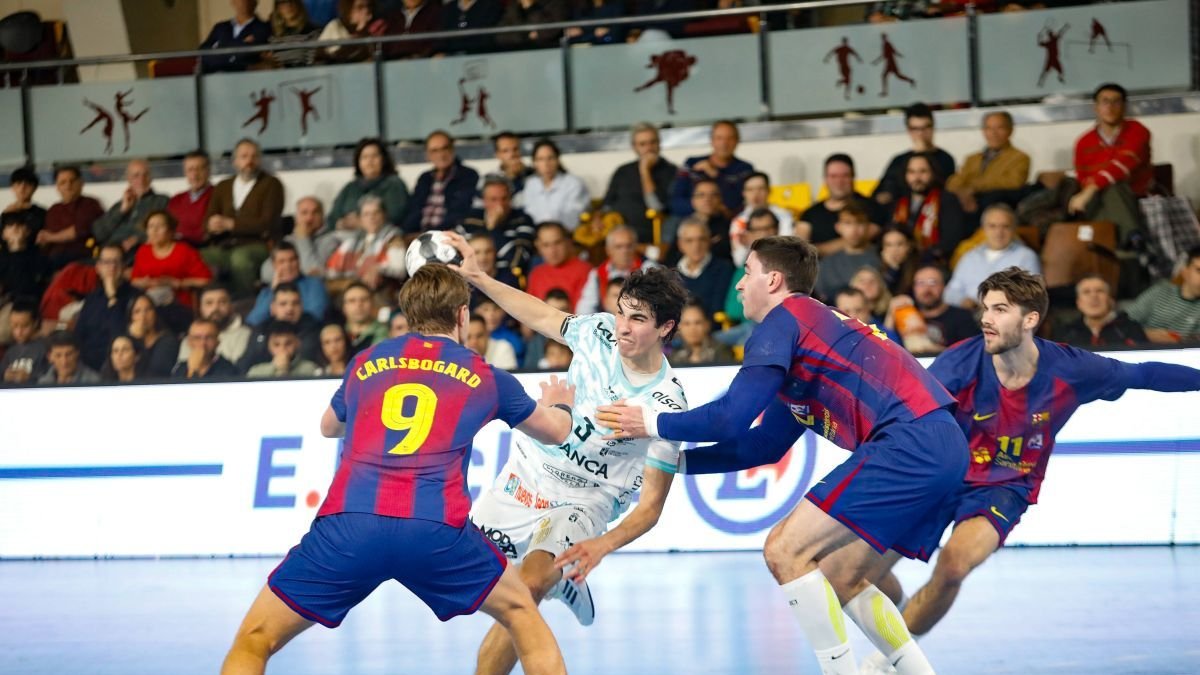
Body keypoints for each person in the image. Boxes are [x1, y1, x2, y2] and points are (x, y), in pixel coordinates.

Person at [596, 235, 968, 675]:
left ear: (773, 280)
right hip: (942, 446)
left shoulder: (782, 320)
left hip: (909, 442)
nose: (737, 286)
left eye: (747, 273)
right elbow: (762, 444)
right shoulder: (811, 333)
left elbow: (730, 417)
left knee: (784, 550)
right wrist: (669, 462)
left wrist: (650, 423)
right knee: (841, 573)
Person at [220, 264, 575, 675]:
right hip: (434, 529)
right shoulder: (486, 376)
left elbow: (328, 427)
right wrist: (560, 401)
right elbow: (555, 433)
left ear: (407, 316)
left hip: (349, 527)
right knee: (522, 615)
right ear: (462, 315)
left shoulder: (366, 361)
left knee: (254, 640)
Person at [857, 267, 1200, 673]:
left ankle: (882, 664)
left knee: (952, 567)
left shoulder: (1073, 369)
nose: (986, 318)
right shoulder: (958, 363)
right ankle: (894, 609)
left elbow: (1143, 374)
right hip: (941, 474)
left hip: (1005, 486)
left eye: (1000, 309)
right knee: (858, 571)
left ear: (1030, 318)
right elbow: (908, 412)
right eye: (984, 308)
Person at [441, 230, 690, 675]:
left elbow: (651, 508)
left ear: (665, 328)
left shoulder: (666, 405)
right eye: (621, 313)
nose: (623, 327)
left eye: (637, 320)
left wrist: (601, 546)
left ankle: (552, 579)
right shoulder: (597, 332)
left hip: (585, 498)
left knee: (527, 587)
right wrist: (478, 279)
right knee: (482, 595)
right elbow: (539, 314)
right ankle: (562, 584)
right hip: (526, 477)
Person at [1069, 83, 1153, 243]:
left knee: (1114, 186)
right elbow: (1082, 177)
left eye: (1116, 102)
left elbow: (1123, 165)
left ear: (1124, 106)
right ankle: (1134, 240)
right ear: (1096, 107)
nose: (1110, 107)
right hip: (1096, 198)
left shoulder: (1137, 130)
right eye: (1105, 101)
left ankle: (1118, 247)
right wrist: (1092, 189)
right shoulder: (1084, 142)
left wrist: (1093, 188)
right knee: (1106, 192)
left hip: (1133, 194)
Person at [203, 139, 285, 298]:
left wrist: (232, 224)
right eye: (244, 156)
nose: (249, 161)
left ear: (260, 160)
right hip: (224, 245)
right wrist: (212, 225)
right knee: (196, 257)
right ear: (235, 161)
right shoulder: (223, 186)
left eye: (254, 156)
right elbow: (208, 218)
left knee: (240, 259)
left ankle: (245, 303)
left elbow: (267, 223)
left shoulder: (271, 184)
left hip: (258, 244)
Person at [943, 204, 1040, 309]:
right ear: (983, 229)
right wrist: (964, 301)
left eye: (1005, 226)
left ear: (1014, 229)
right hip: (969, 316)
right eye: (992, 226)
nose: (999, 232)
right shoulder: (970, 257)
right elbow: (950, 293)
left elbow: (1033, 296)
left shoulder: (1026, 257)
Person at [602, 122, 678, 244]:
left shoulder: (671, 171)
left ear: (659, 144)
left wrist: (645, 171)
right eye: (642, 144)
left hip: (649, 234)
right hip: (617, 233)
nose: (648, 148)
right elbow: (607, 204)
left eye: (652, 142)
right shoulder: (623, 171)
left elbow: (656, 206)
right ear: (634, 147)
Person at [944, 111, 1031, 217]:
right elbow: (954, 181)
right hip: (966, 203)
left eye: (1000, 128)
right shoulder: (972, 159)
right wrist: (962, 193)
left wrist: (973, 188)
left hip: (997, 206)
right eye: (989, 128)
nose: (994, 133)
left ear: (1010, 130)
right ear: (984, 131)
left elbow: (1013, 181)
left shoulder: (1020, 157)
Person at [800, 154, 888, 257]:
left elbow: (857, 240)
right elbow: (799, 249)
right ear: (825, 179)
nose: (839, 181)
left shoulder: (873, 208)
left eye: (845, 176)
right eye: (833, 176)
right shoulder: (810, 213)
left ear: (853, 177)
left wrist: (813, 251)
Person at [891, 153, 967, 266]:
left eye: (923, 171)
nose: (917, 178)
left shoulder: (947, 200)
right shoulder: (898, 203)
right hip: (902, 263)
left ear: (933, 173)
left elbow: (951, 240)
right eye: (911, 172)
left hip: (935, 263)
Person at [874, 103, 956, 207]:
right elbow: (884, 191)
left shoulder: (946, 158)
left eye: (925, 128)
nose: (921, 133)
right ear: (909, 130)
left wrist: (923, 154)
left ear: (933, 128)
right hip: (903, 214)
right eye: (915, 129)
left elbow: (941, 187)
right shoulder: (899, 160)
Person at [669, 120, 755, 218]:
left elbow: (735, 203)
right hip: (690, 218)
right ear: (712, 141)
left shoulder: (745, 169)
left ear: (737, 141)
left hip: (726, 221)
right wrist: (703, 208)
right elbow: (676, 202)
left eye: (730, 138)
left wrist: (716, 175)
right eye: (719, 138)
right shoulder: (692, 163)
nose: (724, 143)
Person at [75, 244, 140, 371]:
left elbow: (121, 334)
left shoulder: (136, 297)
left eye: (117, 262)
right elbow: (79, 335)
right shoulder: (92, 298)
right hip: (87, 366)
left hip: (119, 367)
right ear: (98, 268)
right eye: (107, 262)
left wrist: (112, 298)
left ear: (124, 266)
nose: (112, 267)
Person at [130, 210, 213, 309]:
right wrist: (145, 282)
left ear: (171, 230)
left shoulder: (184, 251)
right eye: (151, 226)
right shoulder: (143, 251)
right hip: (149, 301)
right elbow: (134, 280)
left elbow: (206, 280)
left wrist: (178, 283)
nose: (154, 230)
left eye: (160, 226)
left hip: (179, 304)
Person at [402, 131, 479, 236]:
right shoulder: (425, 178)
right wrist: (407, 233)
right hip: (419, 236)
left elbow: (459, 212)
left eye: (445, 148)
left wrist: (431, 235)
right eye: (434, 151)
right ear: (428, 155)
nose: (441, 154)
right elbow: (413, 210)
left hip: (447, 236)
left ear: (452, 149)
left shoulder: (468, 175)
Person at [326, 138, 409, 231]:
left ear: (384, 159)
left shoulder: (394, 184)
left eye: (374, 156)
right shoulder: (350, 188)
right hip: (347, 238)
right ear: (358, 162)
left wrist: (361, 222)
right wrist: (341, 223)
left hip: (383, 236)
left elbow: (396, 216)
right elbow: (331, 219)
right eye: (364, 157)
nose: (369, 161)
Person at [1123, 245, 1200, 343]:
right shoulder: (1160, 291)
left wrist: (1177, 341)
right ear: (1185, 272)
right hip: (1142, 351)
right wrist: (1145, 334)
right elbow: (1123, 322)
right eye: (1199, 270)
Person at [93, 159, 169, 255]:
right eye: (136, 175)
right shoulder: (120, 205)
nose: (141, 179)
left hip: (140, 251)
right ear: (129, 179)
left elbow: (167, 229)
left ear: (151, 178)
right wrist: (121, 211)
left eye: (145, 175)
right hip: (111, 254)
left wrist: (138, 238)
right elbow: (98, 233)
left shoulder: (161, 201)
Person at [813, 203, 881, 303]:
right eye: (848, 223)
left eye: (860, 223)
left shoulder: (882, 257)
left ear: (869, 227)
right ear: (838, 227)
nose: (854, 230)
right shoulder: (826, 264)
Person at [247, 242, 328, 326]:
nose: (288, 266)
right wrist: (274, 291)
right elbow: (253, 321)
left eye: (292, 260)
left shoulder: (314, 284)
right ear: (274, 265)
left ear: (299, 261)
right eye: (282, 262)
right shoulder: (266, 292)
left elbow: (316, 315)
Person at [1055, 275, 1147, 348]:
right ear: (1079, 303)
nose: (1094, 296)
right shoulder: (1066, 333)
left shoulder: (1131, 329)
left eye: (1100, 291)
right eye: (1086, 292)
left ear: (1111, 300)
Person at [39, 166, 103, 270]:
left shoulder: (90, 204)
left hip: (82, 256)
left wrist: (51, 237)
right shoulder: (53, 210)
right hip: (55, 259)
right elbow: (45, 239)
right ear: (57, 187)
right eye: (63, 182)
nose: (68, 186)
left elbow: (78, 230)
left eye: (72, 181)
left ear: (81, 183)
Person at [522, 139, 590, 231]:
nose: (546, 164)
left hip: (565, 235)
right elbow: (528, 215)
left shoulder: (573, 183)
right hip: (536, 237)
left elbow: (573, 219)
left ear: (558, 160)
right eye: (540, 159)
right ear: (535, 163)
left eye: (550, 158)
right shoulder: (531, 184)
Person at [177, 284, 253, 366]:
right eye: (209, 303)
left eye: (222, 302)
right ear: (200, 309)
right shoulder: (190, 339)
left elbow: (238, 372)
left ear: (231, 307)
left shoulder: (244, 334)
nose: (216, 308)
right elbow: (181, 373)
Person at [729, 172, 794, 267]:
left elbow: (786, 250)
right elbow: (739, 261)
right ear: (744, 193)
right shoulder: (738, 222)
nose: (756, 194)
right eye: (750, 190)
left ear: (769, 191)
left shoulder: (784, 216)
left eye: (760, 189)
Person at [525, 222, 592, 309]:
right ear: (538, 247)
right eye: (546, 245)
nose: (552, 250)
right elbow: (529, 311)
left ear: (568, 242)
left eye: (557, 243)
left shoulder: (586, 270)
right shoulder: (536, 274)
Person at [200, 0, 272, 72]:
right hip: (219, 77)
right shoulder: (221, 27)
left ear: (255, 2)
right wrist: (242, 44)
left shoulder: (264, 27)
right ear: (233, 2)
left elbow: (248, 54)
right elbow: (204, 52)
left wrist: (220, 52)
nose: (243, 2)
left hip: (249, 77)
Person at [126, 294, 181, 379]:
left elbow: (155, 374)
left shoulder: (168, 341)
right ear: (131, 317)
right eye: (137, 311)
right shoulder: (126, 342)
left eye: (148, 310)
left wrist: (138, 340)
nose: (143, 316)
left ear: (155, 313)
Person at [167, 151, 215, 247]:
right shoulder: (176, 200)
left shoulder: (217, 196)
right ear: (185, 173)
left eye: (199, 169)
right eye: (190, 170)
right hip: (175, 249)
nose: (195, 174)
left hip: (202, 248)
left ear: (208, 171)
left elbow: (208, 232)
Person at [669, 298, 734, 366]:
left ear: (707, 325)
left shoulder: (721, 351)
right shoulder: (675, 356)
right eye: (687, 324)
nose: (692, 329)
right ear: (679, 327)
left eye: (697, 323)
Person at [246, 320, 320, 378]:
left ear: (297, 343)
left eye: (288, 343)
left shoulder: (310, 369)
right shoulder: (256, 372)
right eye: (276, 344)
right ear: (269, 346)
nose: (282, 349)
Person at [172, 318, 239, 380]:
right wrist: (191, 371)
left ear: (217, 342)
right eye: (197, 338)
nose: (203, 343)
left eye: (209, 337)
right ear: (189, 342)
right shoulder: (180, 369)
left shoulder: (229, 371)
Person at [1, 302, 47, 384]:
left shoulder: (45, 348)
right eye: (15, 326)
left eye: (24, 326)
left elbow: (51, 378)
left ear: (35, 323)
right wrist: (5, 375)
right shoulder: (11, 351)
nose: (19, 332)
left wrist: (30, 378)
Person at [2, 166, 46, 236]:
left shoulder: (42, 214)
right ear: (12, 187)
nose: (22, 187)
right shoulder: (6, 214)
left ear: (35, 188)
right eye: (19, 183)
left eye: (28, 184)